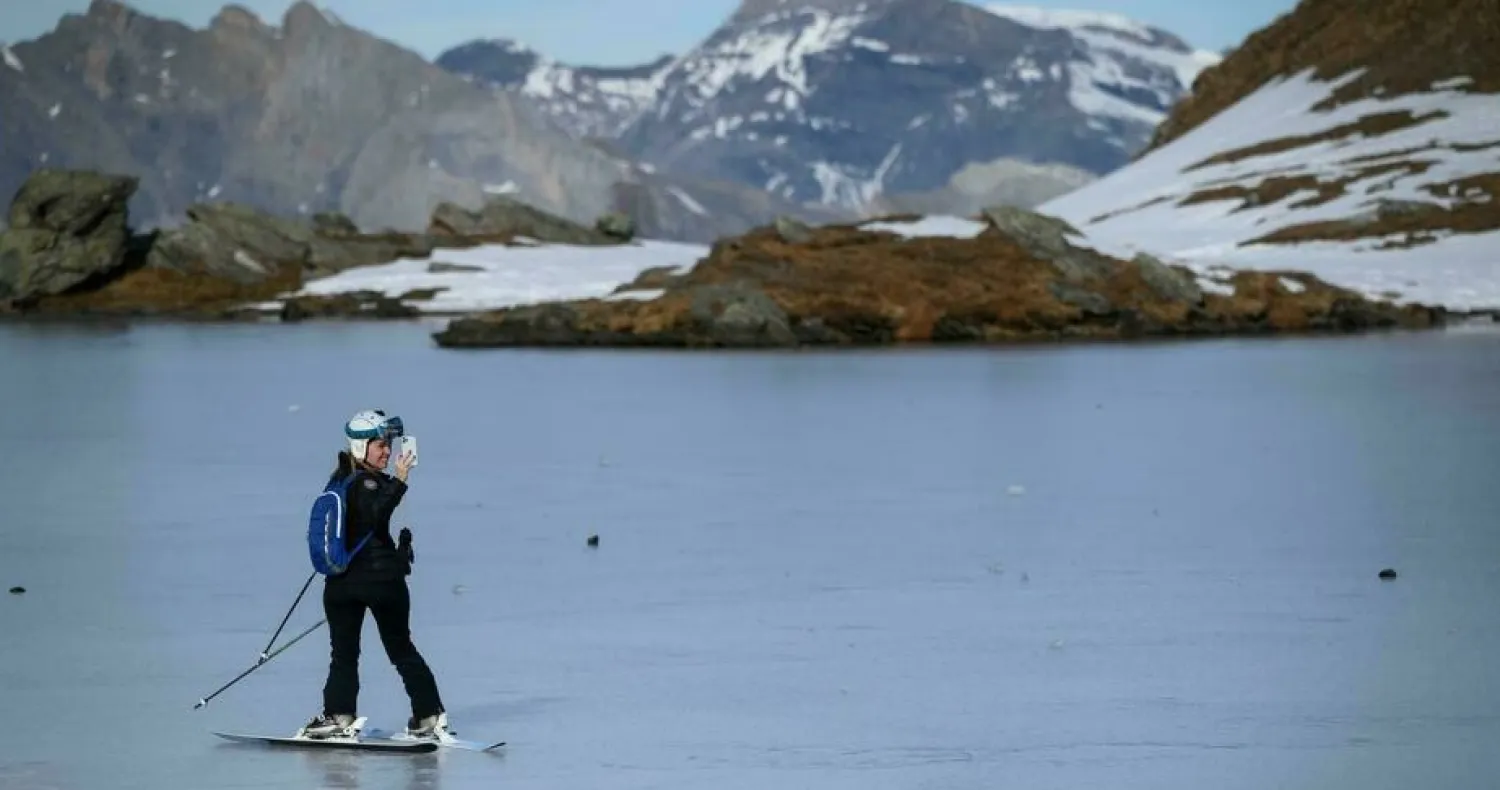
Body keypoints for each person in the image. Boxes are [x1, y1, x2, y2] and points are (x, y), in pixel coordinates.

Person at [298, 409, 452, 741]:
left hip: (345, 584)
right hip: (380, 583)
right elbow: (373, 514)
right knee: (400, 649)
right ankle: (428, 715)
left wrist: (394, 481)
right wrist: (399, 480)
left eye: (388, 444)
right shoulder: (367, 483)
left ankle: (339, 716)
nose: (387, 451)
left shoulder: (342, 480)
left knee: (345, 654)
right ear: (359, 447)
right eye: (380, 444)